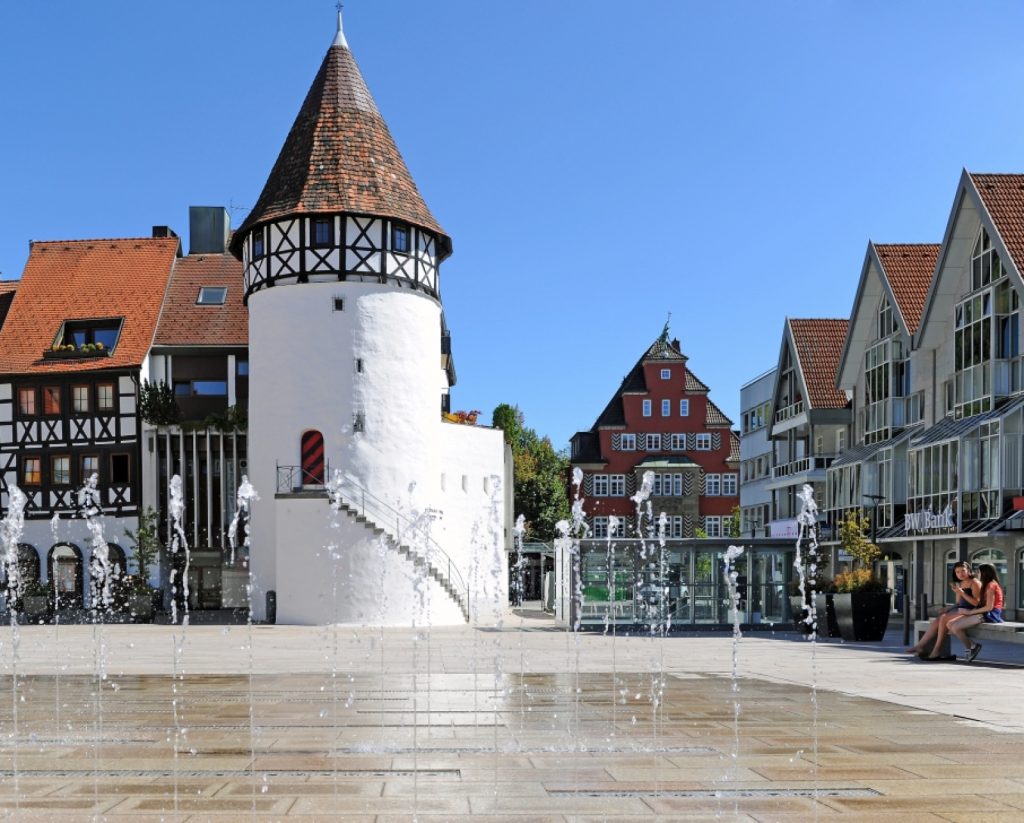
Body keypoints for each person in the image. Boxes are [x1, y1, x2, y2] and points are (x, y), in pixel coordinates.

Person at [906, 561, 979, 656]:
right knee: (939, 618)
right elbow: (958, 603)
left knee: (943, 618)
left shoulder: (975, 583)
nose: (960, 574)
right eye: (957, 572)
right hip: (960, 610)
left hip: (970, 611)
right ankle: (920, 645)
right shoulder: (960, 583)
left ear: (969, 570)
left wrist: (962, 593)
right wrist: (948, 608)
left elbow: (976, 603)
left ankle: (937, 649)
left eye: (963, 571)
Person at [946, 563, 1004, 662]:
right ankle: (972, 646)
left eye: (979, 572)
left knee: (955, 627)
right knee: (949, 623)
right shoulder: (987, 584)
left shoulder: (991, 585)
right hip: (982, 612)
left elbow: (989, 607)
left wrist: (970, 612)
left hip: (990, 614)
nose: (977, 574)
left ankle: (971, 647)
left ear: (985, 573)